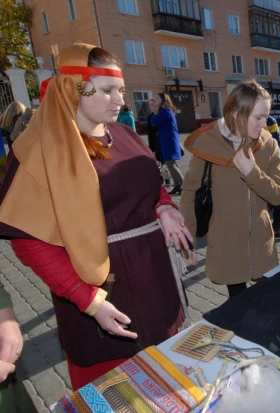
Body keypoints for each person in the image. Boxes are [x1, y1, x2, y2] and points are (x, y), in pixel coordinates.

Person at [0, 43, 193, 390]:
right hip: (99, 296)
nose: (119, 100)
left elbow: (150, 184)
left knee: (166, 388)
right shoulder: (41, 149)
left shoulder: (125, 133)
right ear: (74, 88)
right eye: (106, 91)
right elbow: (29, 241)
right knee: (114, 394)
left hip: (155, 284)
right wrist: (86, 299)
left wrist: (163, 206)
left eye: (120, 90)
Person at [180, 79, 280, 298]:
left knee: (268, 304)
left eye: (266, 116)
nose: (264, 124)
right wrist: (187, 240)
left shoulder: (269, 145)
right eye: (258, 117)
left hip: (261, 245)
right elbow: (189, 194)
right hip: (226, 246)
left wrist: (252, 174)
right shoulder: (208, 147)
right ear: (236, 113)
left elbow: (278, 197)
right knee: (238, 309)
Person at [151, 93, 183, 195]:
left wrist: (154, 111)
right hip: (167, 141)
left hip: (170, 141)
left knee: (171, 164)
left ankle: (184, 186)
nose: (155, 100)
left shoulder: (165, 111)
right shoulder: (164, 111)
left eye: (157, 98)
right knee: (171, 165)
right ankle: (177, 185)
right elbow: (153, 123)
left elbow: (155, 123)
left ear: (163, 100)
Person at [266, 114, 280, 237]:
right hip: (258, 165)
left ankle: (276, 227)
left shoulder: (271, 121)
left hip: (272, 163)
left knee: (277, 196)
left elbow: (276, 141)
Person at [147, 99, 162, 163]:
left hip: (164, 142)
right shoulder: (150, 117)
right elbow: (150, 134)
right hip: (156, 143)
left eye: (152, 104)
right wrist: (151, 149)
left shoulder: (162, 114)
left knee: (170, 164)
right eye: (150, 105)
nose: (151, 106)